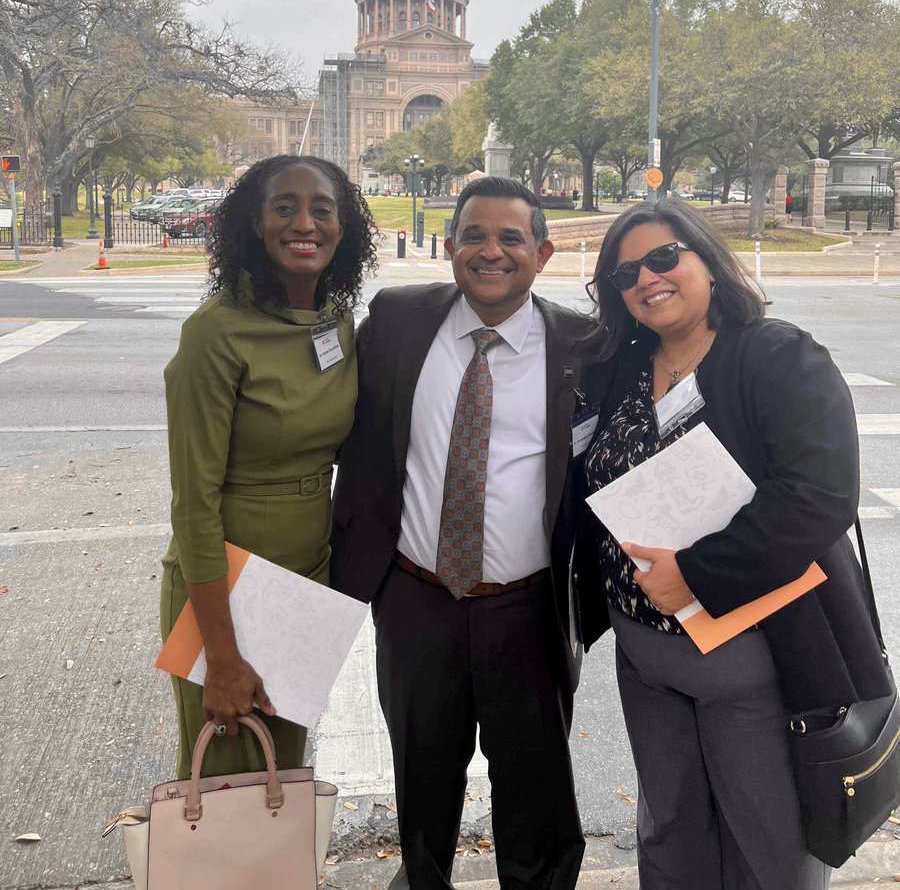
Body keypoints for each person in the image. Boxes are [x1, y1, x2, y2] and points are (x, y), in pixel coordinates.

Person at [569, 198, 891, 889]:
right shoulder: (618, 368)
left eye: (664, 257)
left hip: (756, 659)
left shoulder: (777, 357)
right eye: (626, 274)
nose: (647, 279)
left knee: (770, 844)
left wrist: (697, 576)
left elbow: (821, 494)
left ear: (708, 261)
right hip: (646, 656)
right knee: (670, 833)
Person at [331, 177, 599, 890]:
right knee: (421, 773)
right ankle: (422, 881)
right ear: (449, 247)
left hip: (530, 607)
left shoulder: (583, 346)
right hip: (416, 599)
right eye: (474, 235)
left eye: (511, 237)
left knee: (535, 787)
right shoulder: (396, 321)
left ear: (542, 252)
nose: (491, 251)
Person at [160, 155, 377, 778]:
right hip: (227, 581)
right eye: (284, 208)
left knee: (283, 771)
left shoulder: (335, 319)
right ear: (255, 224)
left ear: (344, 227)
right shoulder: (215, 334)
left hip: (309, 570)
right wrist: (222, 656)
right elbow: (192, 504)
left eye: (321, 209)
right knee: (228, 780)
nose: (303, 222)